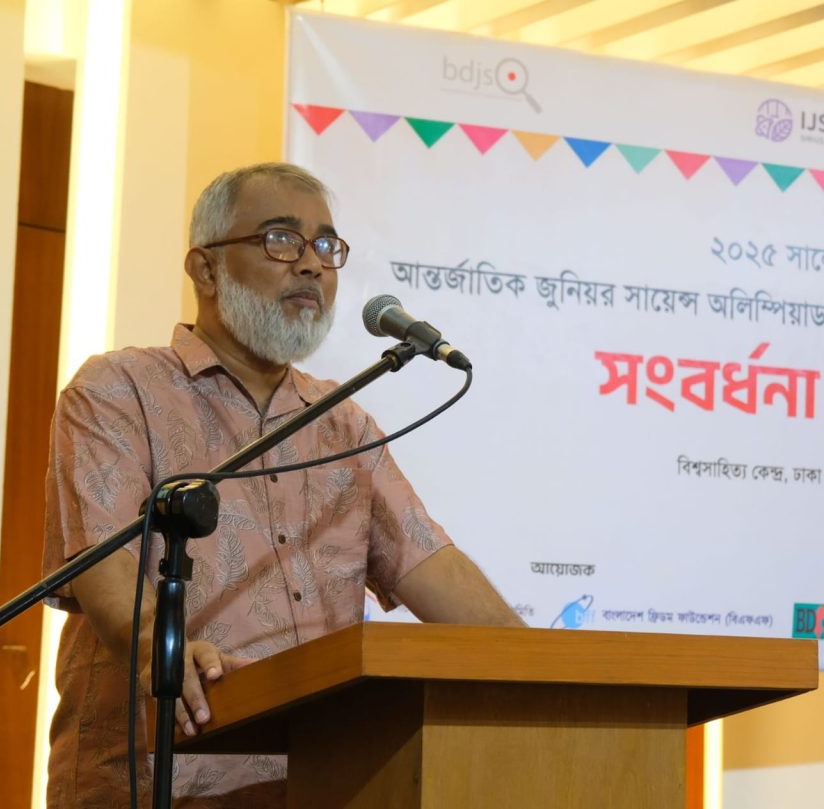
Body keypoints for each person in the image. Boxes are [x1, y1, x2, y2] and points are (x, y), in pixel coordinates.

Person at [42, 162, 524, 808]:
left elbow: (433, 566)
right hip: (159, 783)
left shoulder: (343, 424)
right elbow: (106, 568)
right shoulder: (118, 391)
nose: (312, 265)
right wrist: (164, 644)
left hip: (321, 783)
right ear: (206, 269)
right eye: (281, 239)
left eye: (325, 245)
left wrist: (552, 676)